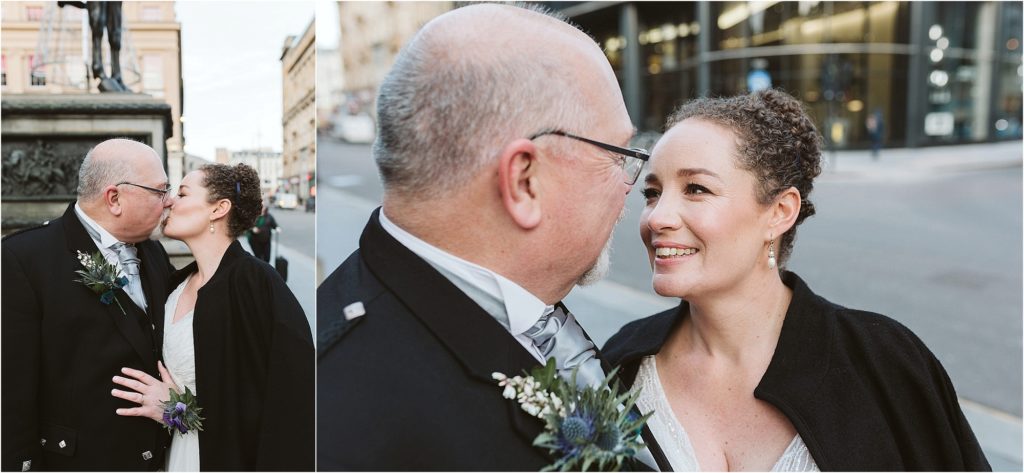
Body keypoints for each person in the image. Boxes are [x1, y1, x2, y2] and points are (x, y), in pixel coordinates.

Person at [316, 4, 667, 471]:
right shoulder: (345, 421)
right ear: (524, 182)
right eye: (619, 156)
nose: (631, 186)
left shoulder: (510, 304)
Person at [602, 89, 990, 471]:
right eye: (652, 193)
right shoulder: (621, 365)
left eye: (696, 189)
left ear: (779, 212)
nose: (656, 218)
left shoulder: (886, 364)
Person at [109, 163, 314, 471]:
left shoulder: (254, 283)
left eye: (182, 193)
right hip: (172, 456)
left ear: (219, 209)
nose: (168, 201)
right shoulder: (174, 284)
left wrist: (175, 410)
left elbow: (286, 400)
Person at [2, 139, 175, 471]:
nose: (168, 201)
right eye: (159, 191)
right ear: (114, 198)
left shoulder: (155, 253)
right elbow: (10, 390)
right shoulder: (23, 259)